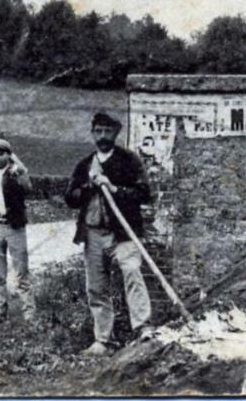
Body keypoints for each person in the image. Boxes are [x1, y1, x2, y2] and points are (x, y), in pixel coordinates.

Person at [65, 112, 154, 354]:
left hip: (123, 233)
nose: (103, 136)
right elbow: (70, 198)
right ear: (93, 133)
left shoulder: (129, 161)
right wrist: (88, 187)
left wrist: (113, 188)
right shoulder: (84, 165)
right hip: (93, 234)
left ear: (116, 133)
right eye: (98, 131)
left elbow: (144, 193)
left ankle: (143, 328)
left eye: (107, 131)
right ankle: (103, 339)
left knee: (133, 273)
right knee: (96, 287)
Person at [0, 138, 36, 323]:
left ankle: (29, 315)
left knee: (21, 273)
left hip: (15, 228)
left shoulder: (15, 173)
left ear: (9, 155)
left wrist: (22, 171)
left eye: (2, 153)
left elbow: (28, 189)